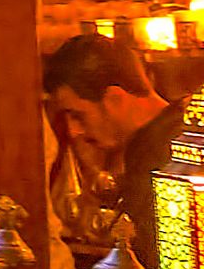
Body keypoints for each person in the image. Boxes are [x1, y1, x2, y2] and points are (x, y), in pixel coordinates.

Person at [42, 33, 182, 242]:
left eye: (77, 115)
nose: (73, 131)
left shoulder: (168, 155)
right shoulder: (153, 143)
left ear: (116, 99)